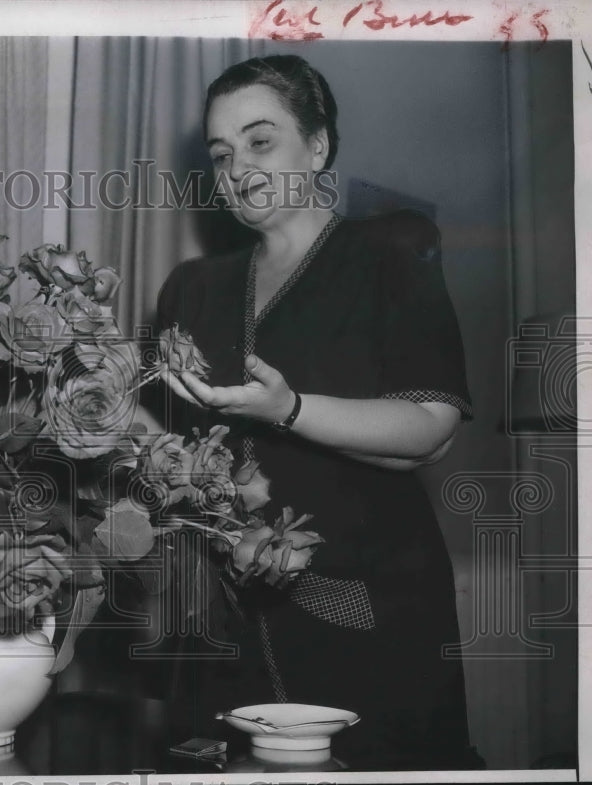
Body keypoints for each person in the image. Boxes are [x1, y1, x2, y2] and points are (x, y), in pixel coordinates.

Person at [153, 54, 484, 771]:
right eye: (221, 152)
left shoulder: (390, 256)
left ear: (320, 145)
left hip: (369, 612)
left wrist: (290, 408)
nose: (238, 165)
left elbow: (428, 430)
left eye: (260, 140)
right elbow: (169, 455)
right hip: (228, 620)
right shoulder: (191, 289)